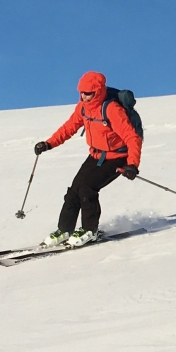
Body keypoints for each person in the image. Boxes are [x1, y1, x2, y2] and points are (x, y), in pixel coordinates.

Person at [33, 71, 142, 247]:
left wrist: (132, 164)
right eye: (81, 92)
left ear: (98, 91)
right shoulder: (83, 107)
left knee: (88, 188)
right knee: (74, 191)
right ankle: (64, 230)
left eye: (88, 93)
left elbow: (132, 137)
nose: (84, 96)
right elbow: (69, 127)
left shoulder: (112, 109)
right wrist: (48, 144)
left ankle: (90, 230)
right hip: (96, 155)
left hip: (118, 157)